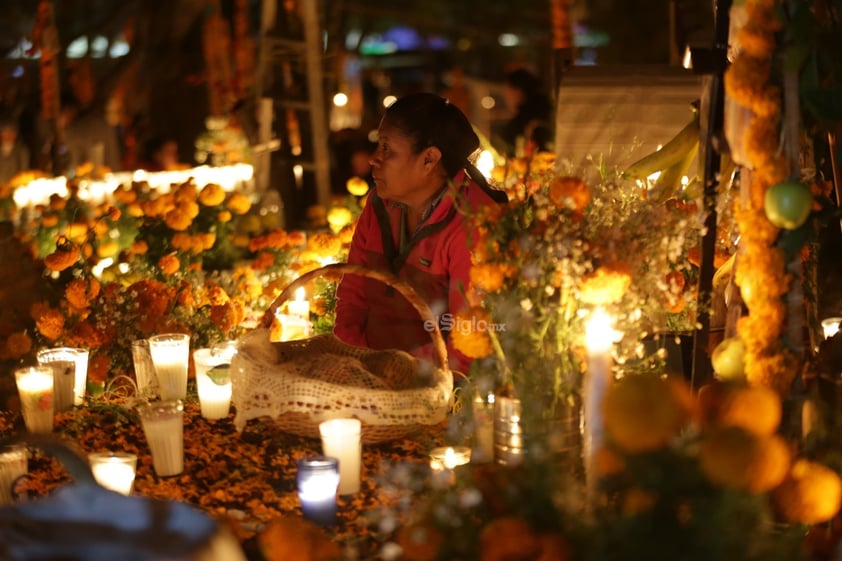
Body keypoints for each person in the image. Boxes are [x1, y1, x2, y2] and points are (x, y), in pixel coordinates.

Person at [333, 92, 508, 375]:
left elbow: (467, 341)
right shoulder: (379, 204)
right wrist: (355, 361)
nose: (374, 160)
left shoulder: (473, 224)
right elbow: (353, 295)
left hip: (433, 389)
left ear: (429, 159)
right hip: (370, 379)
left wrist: (397, 376)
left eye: (387, 148)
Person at [497, 67, 553, 157]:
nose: (506, 96)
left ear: (519, 91)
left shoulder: (518, 125)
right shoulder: (547, 113)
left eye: (508, 90)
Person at [0, 116, 30, 183]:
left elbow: (23, 173)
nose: (8, 135)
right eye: (5, 132)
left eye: (11, 132)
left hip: (14, 187)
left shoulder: (22, 151)